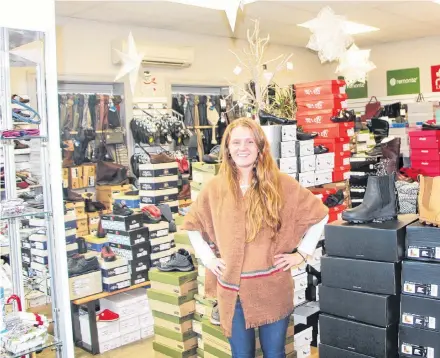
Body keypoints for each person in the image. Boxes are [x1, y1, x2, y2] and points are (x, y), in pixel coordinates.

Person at [181, 117, 328, 358]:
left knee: (274, 354)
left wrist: (301, 254)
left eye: (250, 141)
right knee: (241, 355)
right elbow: (192, 224)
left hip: (272, 287)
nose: (243, 147)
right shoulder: (215, 188)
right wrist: (209, 259)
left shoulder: (281, 184)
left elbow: (320, 214)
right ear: (227, 147)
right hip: (233, 291)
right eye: (236, 142)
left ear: (260, 146)